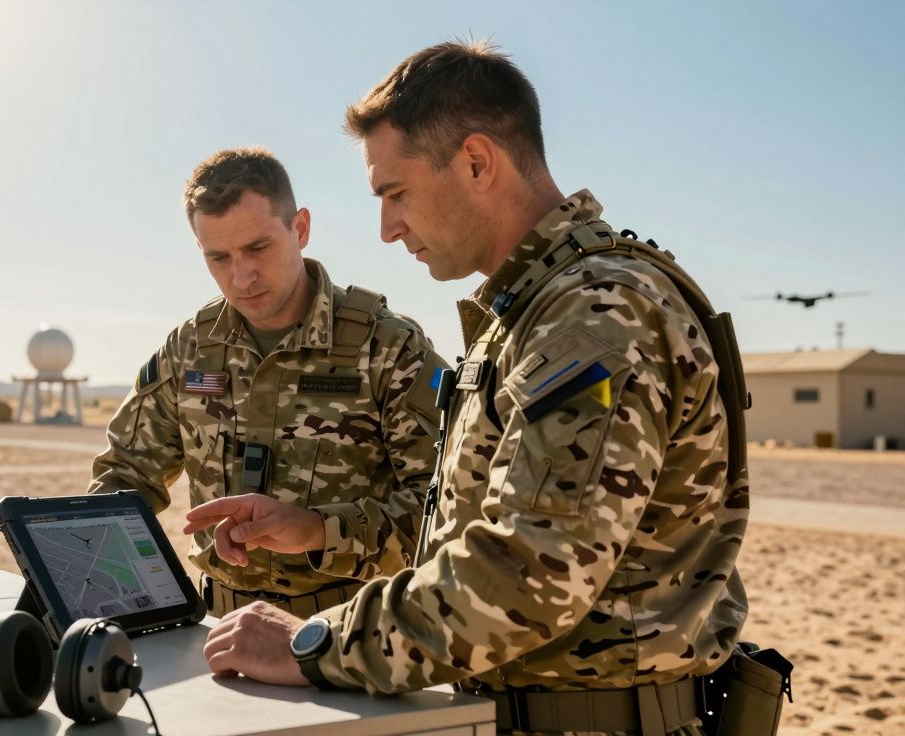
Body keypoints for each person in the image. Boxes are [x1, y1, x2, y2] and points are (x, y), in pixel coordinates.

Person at [191, 42, 749, 736]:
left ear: (478, 162)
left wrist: (313, 643)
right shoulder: (533, 312)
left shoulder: (597, 314)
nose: (388, 229)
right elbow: (465, 536)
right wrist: (315, 531)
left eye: (395, 194)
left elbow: (526, 577)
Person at [89, 147, 450, 619]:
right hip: (217, 625)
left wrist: (318, 530)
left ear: (300, 228)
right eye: (218, 257)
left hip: (348, 635)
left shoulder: (388, 347)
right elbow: (126, 475)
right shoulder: (190, 348)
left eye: (258, 248)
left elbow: (443, 512)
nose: (241, 276)